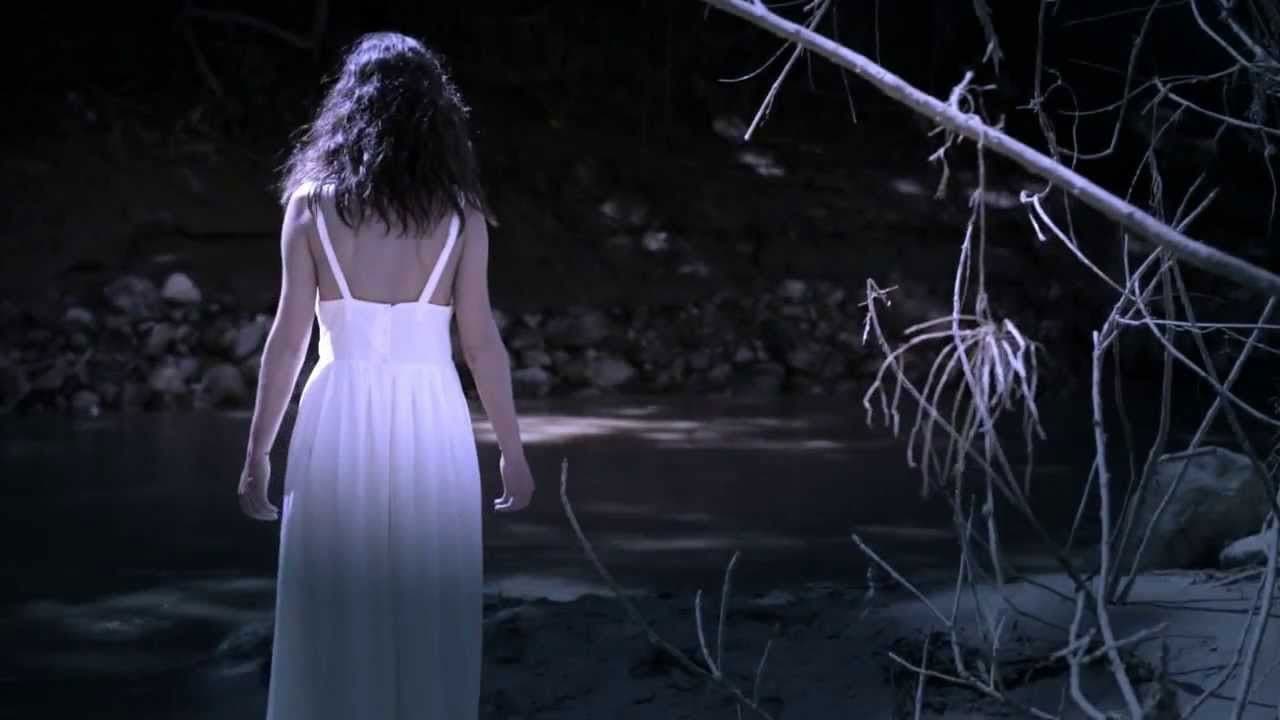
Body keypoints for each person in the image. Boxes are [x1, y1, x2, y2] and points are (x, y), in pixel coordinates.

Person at [234, 31, 535, 719]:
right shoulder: (461, 217)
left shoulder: (310, 206)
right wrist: (513, 453)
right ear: (436, 115)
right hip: (433, 417)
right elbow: (481, 344)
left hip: (336, 414)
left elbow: (288, 340)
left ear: (350, 108)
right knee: (428, 603)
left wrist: (258, 452)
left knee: (334, 601)